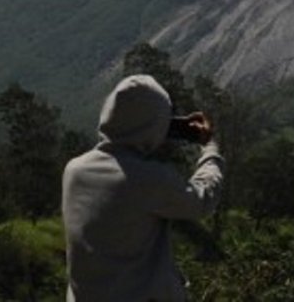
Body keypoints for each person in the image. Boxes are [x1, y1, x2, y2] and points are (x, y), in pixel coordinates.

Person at [62, 74, 224, 301]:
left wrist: (162, 125)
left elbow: (126, 135)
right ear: (154, 125)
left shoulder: (74, 170)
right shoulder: (148, 178)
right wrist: (210, 147)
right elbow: (202, 200)